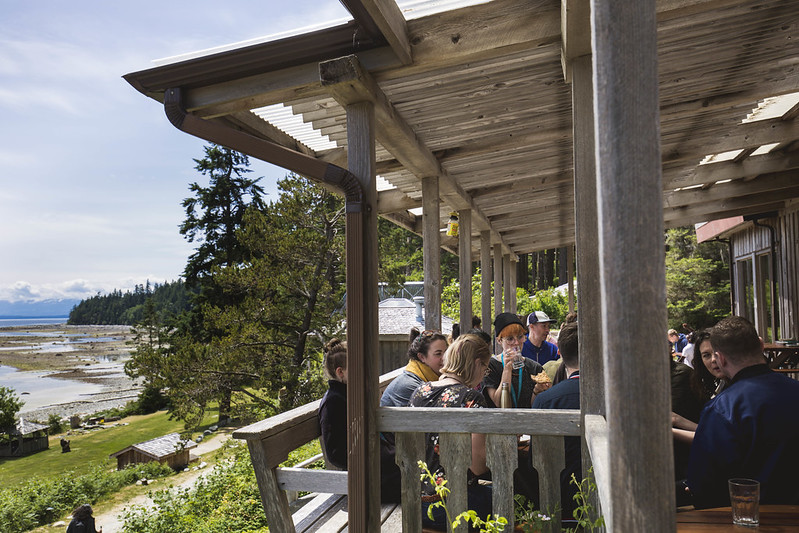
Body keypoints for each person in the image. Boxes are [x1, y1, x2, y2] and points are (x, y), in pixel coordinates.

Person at [686, 316, 799, 509]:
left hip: (749, 516)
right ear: (761, 345)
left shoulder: (722, 409)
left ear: (720, 358)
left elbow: (703, 486)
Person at [409, 334, 493, 530]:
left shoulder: (419, 392)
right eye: (485, 368)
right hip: (453, 505)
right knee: (512, 498)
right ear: (476, 363)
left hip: (414, 502)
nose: (484, 374)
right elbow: (478, 467)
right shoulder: (471, 398)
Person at [532, 321, 581, 517]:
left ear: (559, 352)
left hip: (559, 495)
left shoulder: (545, 400)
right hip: (612, 489)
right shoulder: (615, 395)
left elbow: (536, 457)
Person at [483, 313, 550, 409]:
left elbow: (534, 407)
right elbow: (498, 403)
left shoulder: (534, 367)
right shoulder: (491, 366)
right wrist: (507, 369)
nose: (516, 343)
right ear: (499, 341)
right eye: (510, 339)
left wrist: (536, 391)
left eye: (520, 337)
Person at [380, 329, 448, 408]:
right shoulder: (409, 385)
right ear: (421, 357)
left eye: (446, 352)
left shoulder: (427, 377)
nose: (444, 358)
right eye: (438, 354)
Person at [318, 338, 348, 470]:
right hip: (361, 471)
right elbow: (336, 454)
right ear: (340, 372)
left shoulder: (349, 394)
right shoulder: (333, 402)